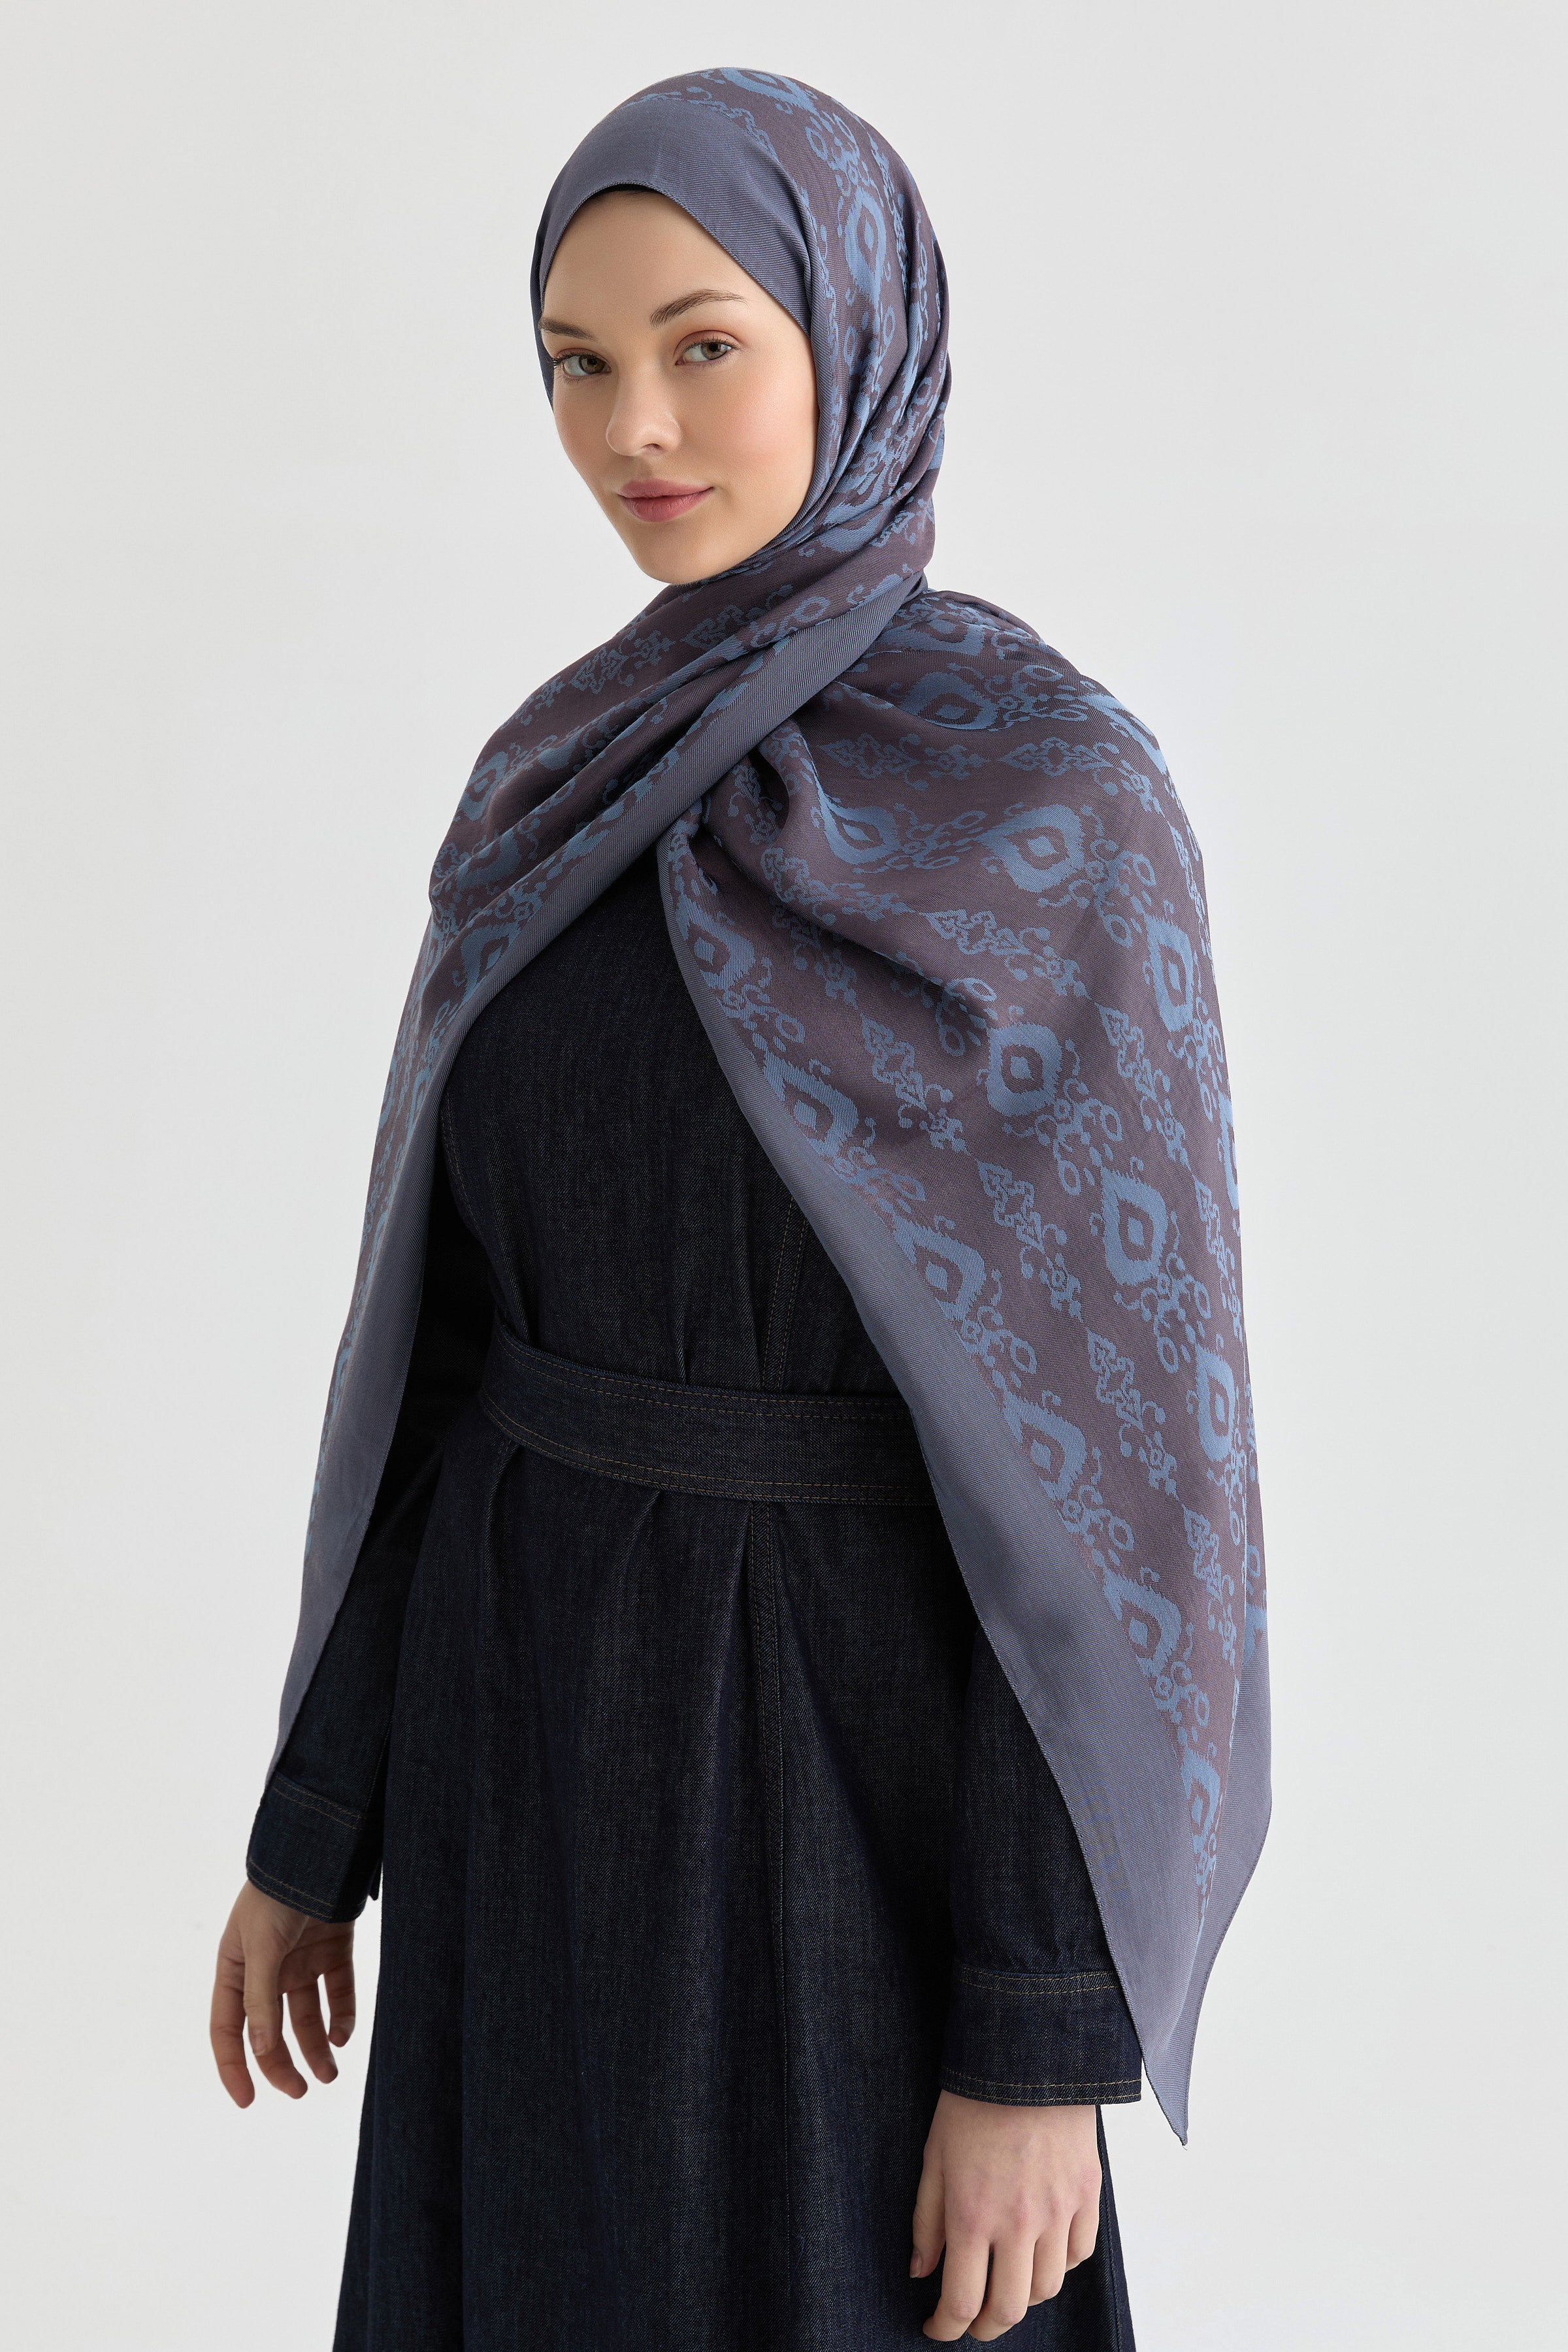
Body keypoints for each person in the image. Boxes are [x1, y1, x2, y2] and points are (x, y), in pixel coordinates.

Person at [210, 69, 1268, 2352]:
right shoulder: (548, 784)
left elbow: (1122, 1499)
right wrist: (317, 1828)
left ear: (853, 338)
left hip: (854, 1813)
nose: (634, 430)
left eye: (704, 345)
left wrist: (1039, 2034)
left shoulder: (1058, 811)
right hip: (524, 1770)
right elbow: (438, 1355)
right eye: (576, 362)